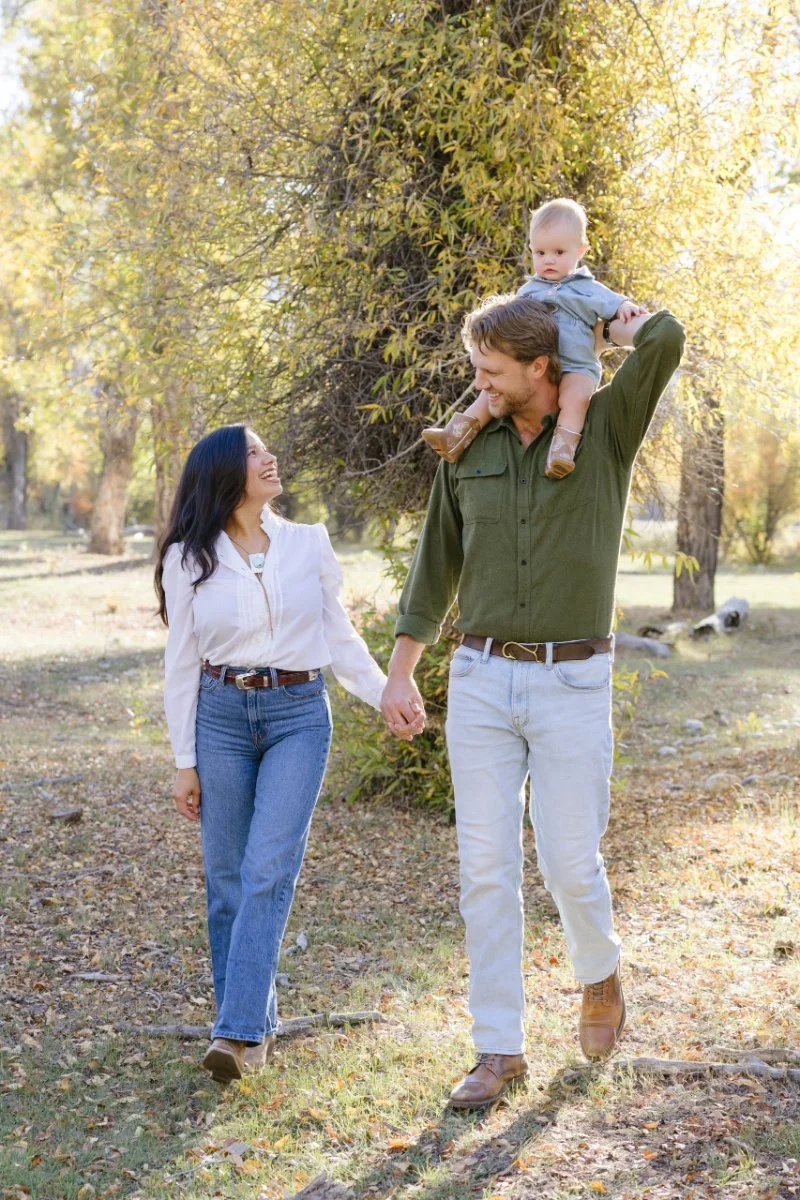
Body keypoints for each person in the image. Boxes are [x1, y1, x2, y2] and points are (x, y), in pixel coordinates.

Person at [383, 295, 685, 1108]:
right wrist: (401, 670)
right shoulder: (466, 442)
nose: (475, 382)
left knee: (568, 863)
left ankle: (599, 974)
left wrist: (593, 320)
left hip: (573, 681)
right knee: (485, 868)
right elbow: (433, 566)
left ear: (541, 368)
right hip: (481, 677)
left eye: (491, 370)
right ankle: (497, 1050)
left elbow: (666, 336)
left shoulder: (607, 429)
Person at [155, 424, 421, 1084]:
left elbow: (338, 633)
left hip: (299, 715)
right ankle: (251, 1029)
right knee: (225, 880)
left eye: (269, 447)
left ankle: (235, 1029)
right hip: (219, 715)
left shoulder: (308, 544)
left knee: (268, 867)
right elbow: (181, 664)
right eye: (252, 452)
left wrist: (382, 691)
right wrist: (183, 758)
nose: (270, 458)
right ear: (223, 473)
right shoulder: (191, 557)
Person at [423, 198, 647, 478]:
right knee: (488, 394)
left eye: (558, 252)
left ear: (580, 251)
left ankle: (561, 453)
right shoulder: (528, 291)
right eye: (540, 253)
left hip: (576, 366)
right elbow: (512, 321)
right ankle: (454, 437)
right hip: (537, 367)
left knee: (575, 400)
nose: (548, 260)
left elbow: (613, 304)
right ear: (530, 250)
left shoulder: (587, 289)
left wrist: (625, 307)